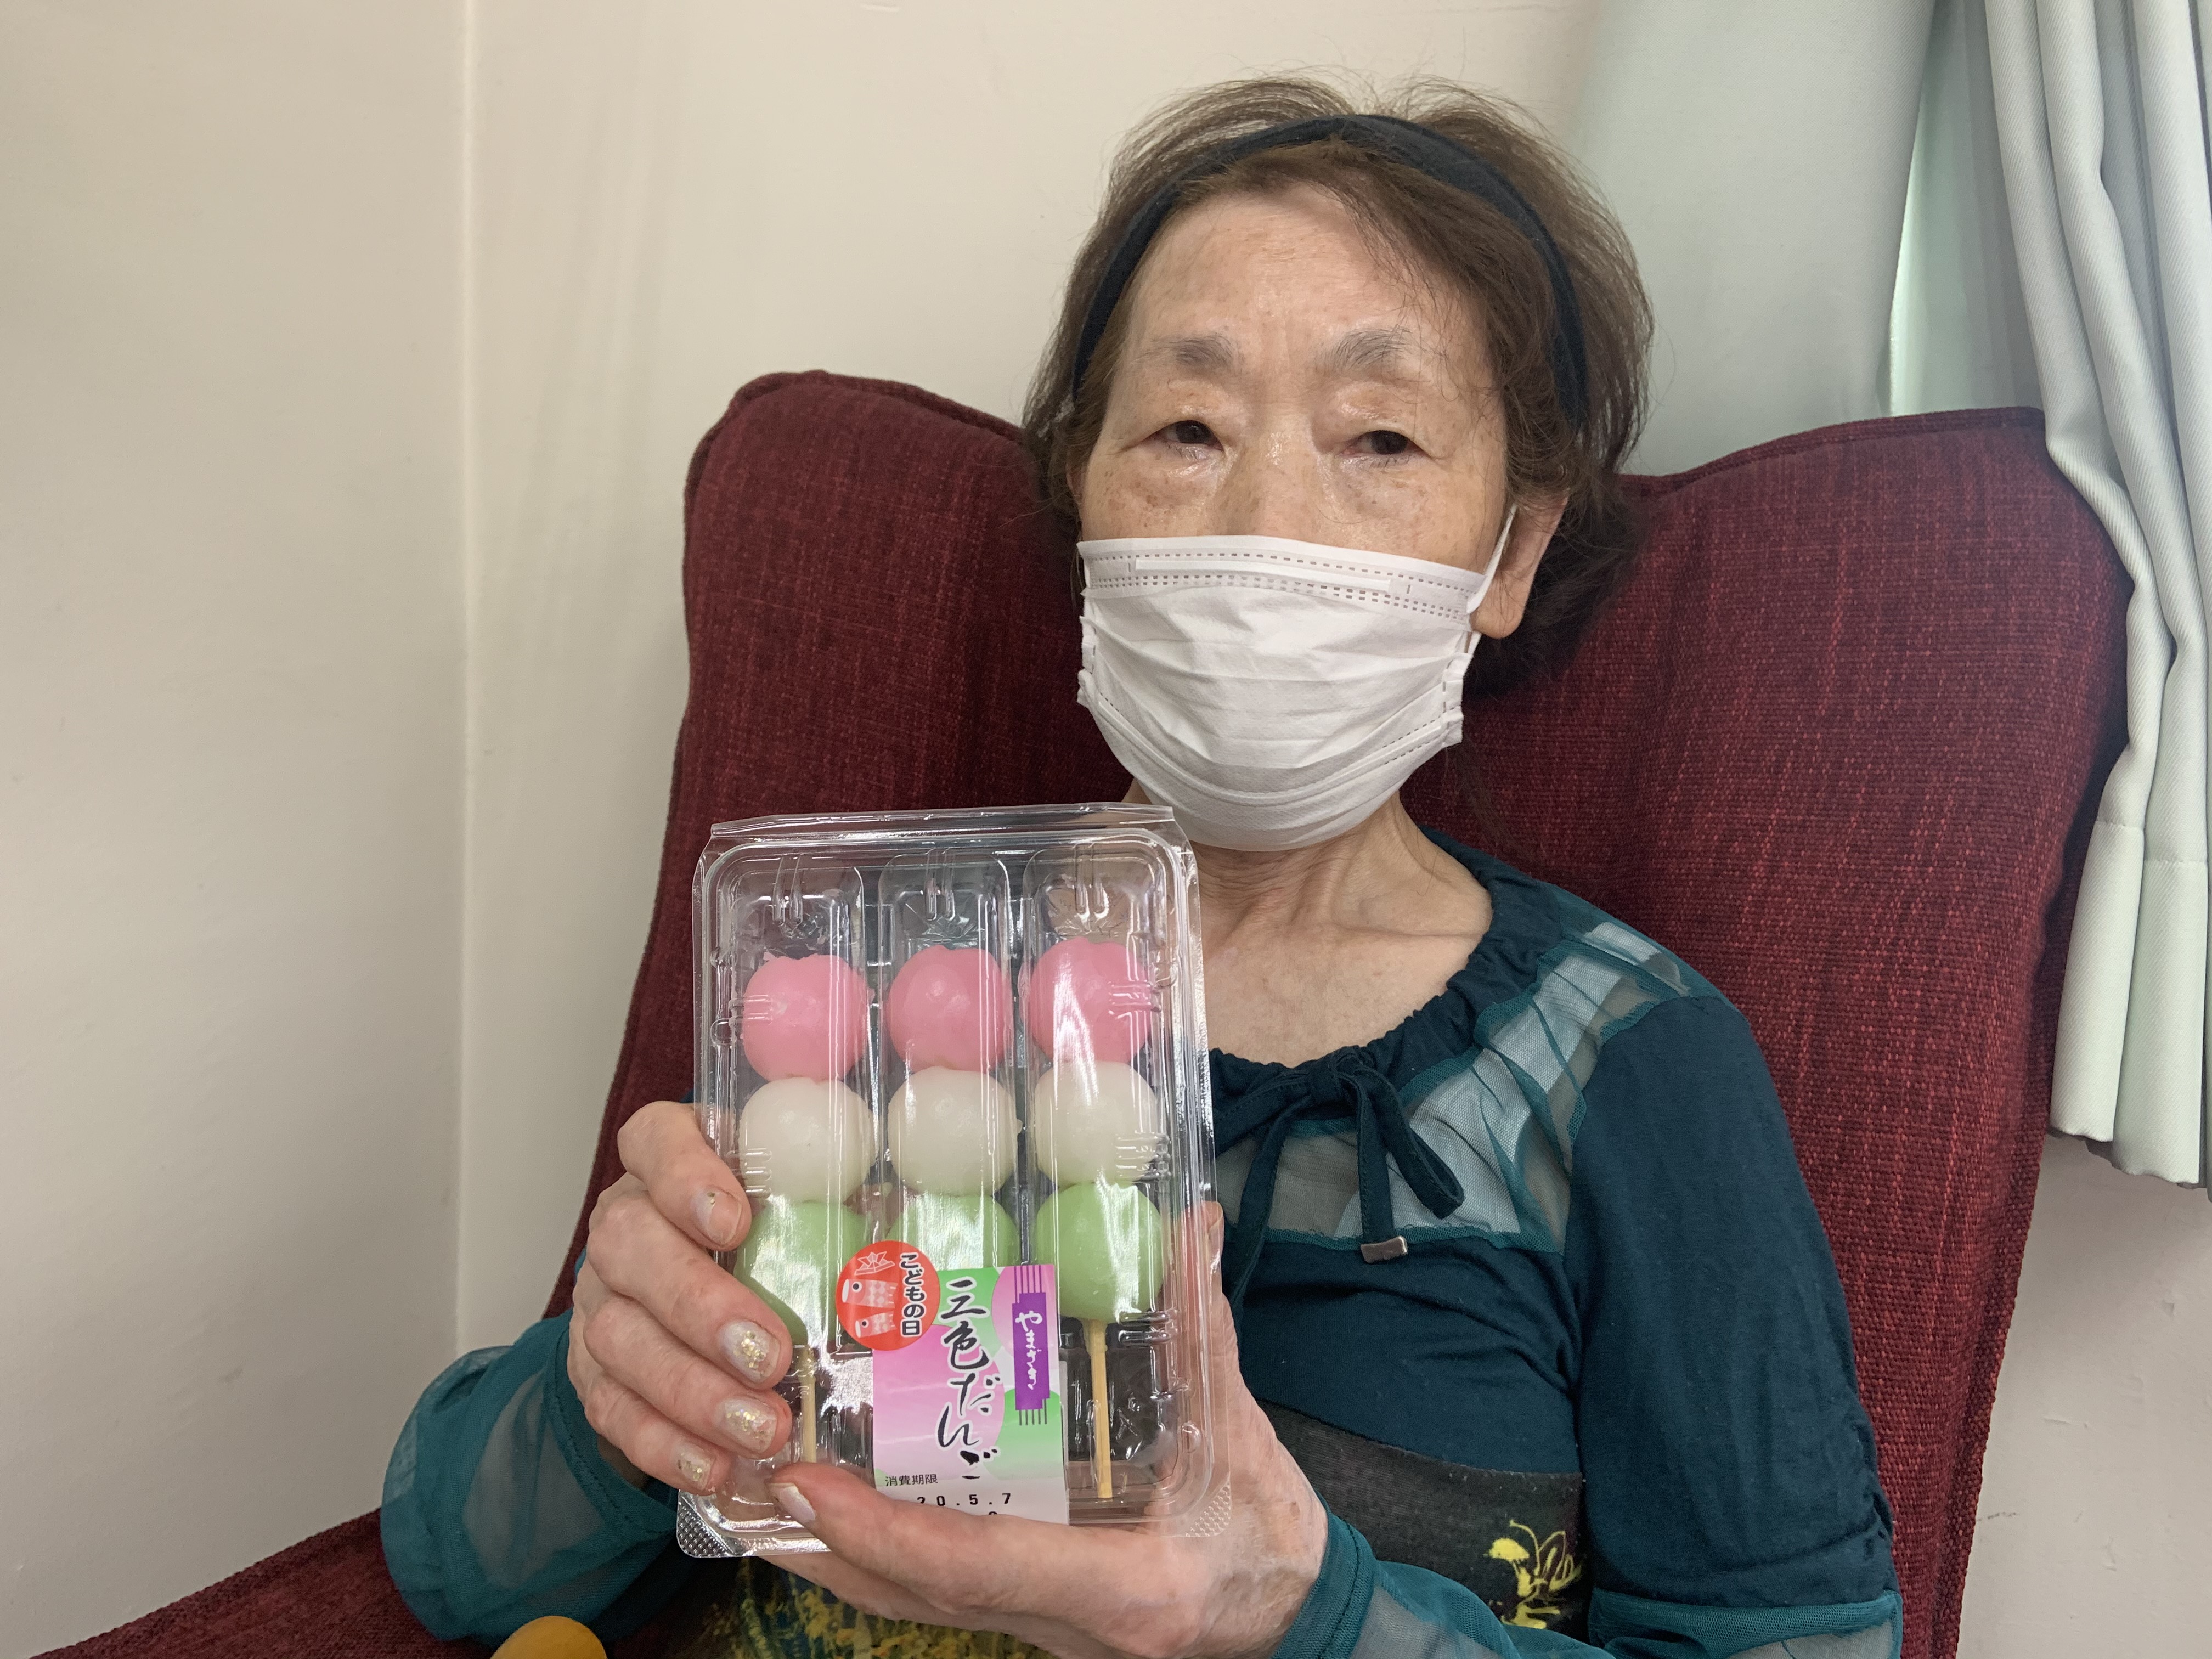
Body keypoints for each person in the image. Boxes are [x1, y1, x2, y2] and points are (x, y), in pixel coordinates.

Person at [382, 76, 1899, 1659]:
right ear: (1086, 501)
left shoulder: (1629, 1070)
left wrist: (1295, 1611)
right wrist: (622, 1385)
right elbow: (460, 1570)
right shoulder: (881, 990)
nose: (1264, 521)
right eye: (1187, 429)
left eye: (1381, 438)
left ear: (1509, 552)